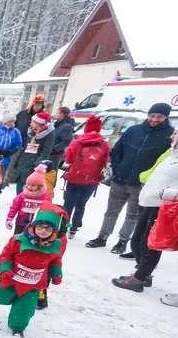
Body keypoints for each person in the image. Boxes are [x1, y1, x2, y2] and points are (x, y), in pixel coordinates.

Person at [85, 103, 174, 254]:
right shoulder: (134, 130)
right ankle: (102, 236)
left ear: (165, 117)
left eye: (159, 116)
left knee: (133, 214)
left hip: (140, 184)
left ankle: (122, 241)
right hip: (120, 179)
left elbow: (165, 161)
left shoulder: (168, 136)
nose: (154, 119)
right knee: (111, 211)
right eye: (152, 115)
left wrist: (149, 179)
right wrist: (118, 168)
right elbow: (117, 150)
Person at [112, 131, 178, 292]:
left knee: (150, 244)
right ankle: (142, 273)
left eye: (176, 133)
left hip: (163, 206)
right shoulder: (172, 153)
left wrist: (169, 194)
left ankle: (139, 279)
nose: (172, 135)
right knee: (138, 240)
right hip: (150, 202)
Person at [0, 204, 66, 336]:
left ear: (54, 231)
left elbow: (56, 260)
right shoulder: (19, 240)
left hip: (33, 284)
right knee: (1, 297)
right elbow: (6, 255)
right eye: (40, 227)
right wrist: (5, 269)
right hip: (12, 278)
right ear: (34, 226)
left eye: (48, 228)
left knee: (25, 309)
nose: (43, 231)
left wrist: (56, 273)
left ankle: (17, 327)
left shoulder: (55, 245)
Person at [61, 115, 109, 239]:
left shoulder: (78, 141)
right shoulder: (103, 144)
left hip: (74, 177)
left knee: (68, 203)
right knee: (81, 204)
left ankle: (63, 227)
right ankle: (74, 228)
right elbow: (105, 161)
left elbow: (68, 158)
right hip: (91, 180)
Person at [7, 111, 55, 195]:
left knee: (28, 193)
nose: (31, 123)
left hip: (32, 168)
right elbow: (25, 148)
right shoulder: (32, 132)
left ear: (39, 123)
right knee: (19, 192)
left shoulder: (49, 134)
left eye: (33, 122)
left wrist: (35, 165)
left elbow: (45, 153)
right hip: (23, 164)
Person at [5, 164, 52, 234]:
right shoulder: (23, 195)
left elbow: (49, 210)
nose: (29, 187)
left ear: (40, 186)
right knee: (18, 239)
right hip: (21, 223)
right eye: (28, 184)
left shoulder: (45, 197)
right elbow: (14, 207)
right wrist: (9, 219)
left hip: (37, 225)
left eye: (33, 185)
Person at [0, 113, 23, 197]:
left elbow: (19, 144)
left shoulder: (16, 132)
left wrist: (11, 151)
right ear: (5, 121)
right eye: (10, 121)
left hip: (6, 158)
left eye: (13, 121)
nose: (12, 123)